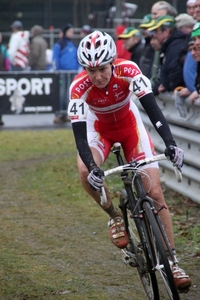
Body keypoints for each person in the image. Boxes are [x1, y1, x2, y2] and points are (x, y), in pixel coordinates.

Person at [68, 30, 191, 291]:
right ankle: (114, 216)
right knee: (82, 169)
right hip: (98, 130)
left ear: (112, 61)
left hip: (129, 127)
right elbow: (80, 138)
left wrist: (170, 142)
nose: (97, 76)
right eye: (90, 71)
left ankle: (173, 260)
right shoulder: (78, 88)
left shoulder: (129, 71)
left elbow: (152, 110)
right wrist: (93, 168)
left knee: (155, 193)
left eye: (102, 68)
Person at [148, 15, 186, 94]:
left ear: (166, 31)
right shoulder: (170, 46)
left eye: (157, 31)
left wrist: (168, 86)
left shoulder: (175, 47)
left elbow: (176, 72)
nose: (155, 35)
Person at [52, 23, 80, 123]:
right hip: (62, 74)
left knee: (70, 94)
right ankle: (59, 113)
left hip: (72, 73)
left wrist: (77, 69)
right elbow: (55, 59)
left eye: (73, 32)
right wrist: (57, 71)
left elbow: (78, 59)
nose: (72, 33)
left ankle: (67, 113)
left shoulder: (74, 44)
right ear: (65, 32)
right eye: (70, 31)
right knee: (61, 94)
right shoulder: (59, 44)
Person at [0, 32, 10, 126]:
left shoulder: (3, 48)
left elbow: (7, 61)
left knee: (1, 98)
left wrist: (7, 72)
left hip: (2, 76)